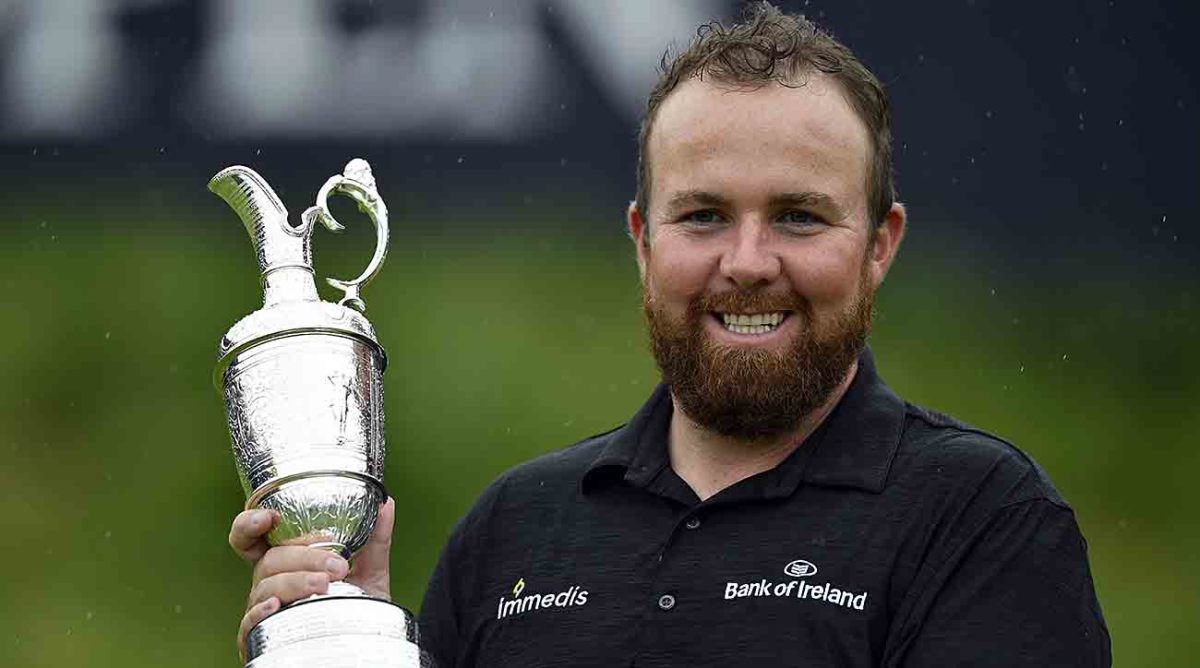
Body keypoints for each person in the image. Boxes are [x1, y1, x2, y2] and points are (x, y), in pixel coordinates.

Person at [228, 3, 1111, 665]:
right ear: (644, 241)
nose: (750, 260)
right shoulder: (513, 533)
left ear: (880, 245)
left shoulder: (982, 522)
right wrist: (345, 633)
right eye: (704, 216)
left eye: (800, 217)